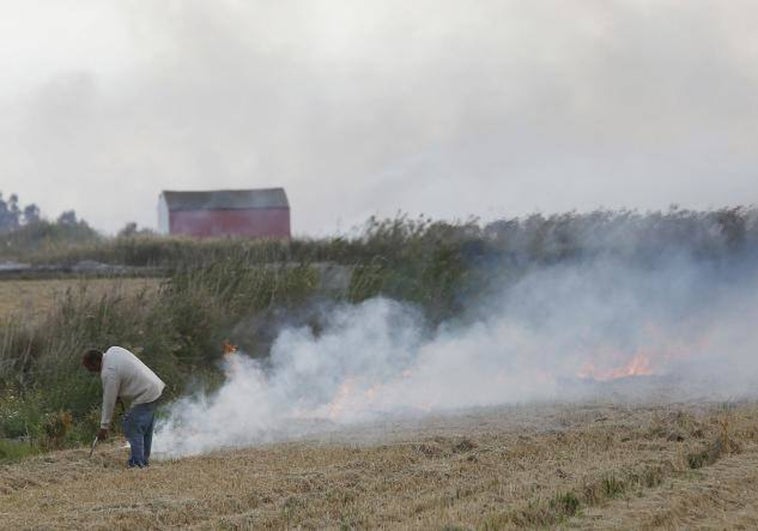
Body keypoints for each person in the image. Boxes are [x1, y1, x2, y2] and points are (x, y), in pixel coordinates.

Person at [82, 346, 166, 468]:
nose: (89, 370)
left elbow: (108, 401)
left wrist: (104, 427)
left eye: (89, 367)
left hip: (146, 393)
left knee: (132, 426)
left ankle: (137, 464)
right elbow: (124, 371)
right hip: (155, 388)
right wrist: (119, 393)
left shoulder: (108, 372)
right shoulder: (113, 350)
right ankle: (143, 460)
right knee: (145, 428)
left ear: (95, 362)